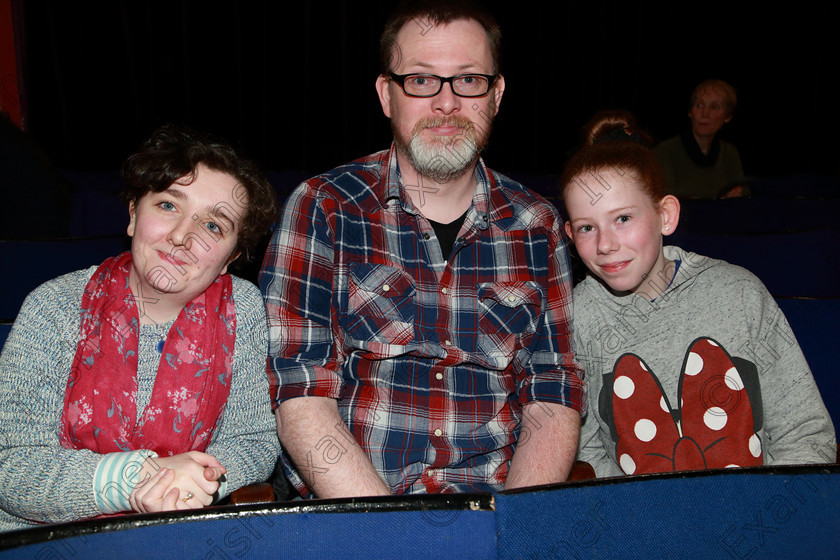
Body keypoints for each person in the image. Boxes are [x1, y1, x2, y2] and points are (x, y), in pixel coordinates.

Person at [260, 0, 584, 498]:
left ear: (496, 95)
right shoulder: (324, 207)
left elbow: (552, 392)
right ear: (386, 95)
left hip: (495, 514)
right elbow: (298, 388)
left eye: (469, 80)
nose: (447, 103)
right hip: (357, 514)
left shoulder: (537, 225)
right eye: (421, 80)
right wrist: (388, 535)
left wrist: (518, 530)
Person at [0, 124, 281, 532]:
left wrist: (195, 486)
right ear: (133, 214)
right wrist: (140, 477)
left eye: (214, 225)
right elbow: (11, 465)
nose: (183, 236)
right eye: (169, 206)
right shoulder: (55, 306)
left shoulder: (242, 307)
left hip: (182, 534)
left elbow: (253, 441)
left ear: (229, 259)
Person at [563, 110, 835, 477]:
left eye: (623, 218)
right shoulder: (577, 316)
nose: (606, 244)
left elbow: (804, 433)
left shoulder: (738, 293)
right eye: (586, 228)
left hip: (756, 514)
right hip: (645, 524)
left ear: (666, 215)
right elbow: (588, 451)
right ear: (568, 233)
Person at [654, 79, 746, 198]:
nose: (705, 114)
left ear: (727, 116)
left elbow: (744, 194)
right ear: (690, 112)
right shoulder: (666, 151)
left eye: (714, 107)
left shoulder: (729, 153)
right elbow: (664, 200)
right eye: (699, 105)